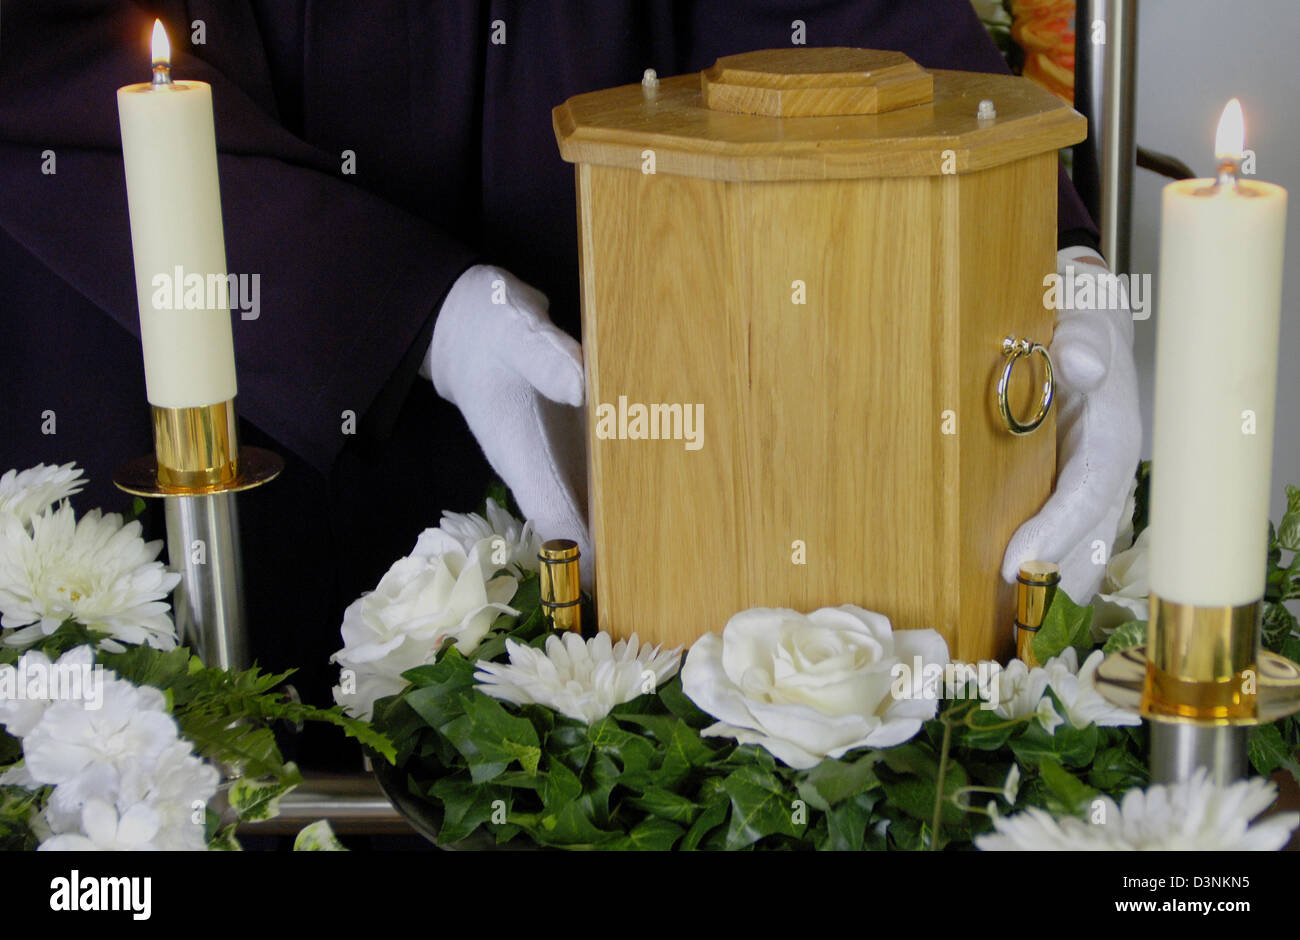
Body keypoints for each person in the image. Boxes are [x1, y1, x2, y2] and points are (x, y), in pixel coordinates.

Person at [0, 0, 1139, 768]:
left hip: (666, 422)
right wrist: (400, 307)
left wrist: (1039, 263)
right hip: (209, 390)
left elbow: (854, 34)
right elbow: (55, 44)